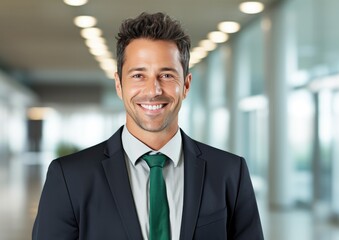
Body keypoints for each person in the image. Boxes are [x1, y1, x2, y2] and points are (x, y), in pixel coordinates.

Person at [32, 12, 264, 240]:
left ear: (186, 85)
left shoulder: (229, 173)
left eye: (166, 75)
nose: (153, 91)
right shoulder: (70, 178)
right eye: (138, 76)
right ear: (119, 85)